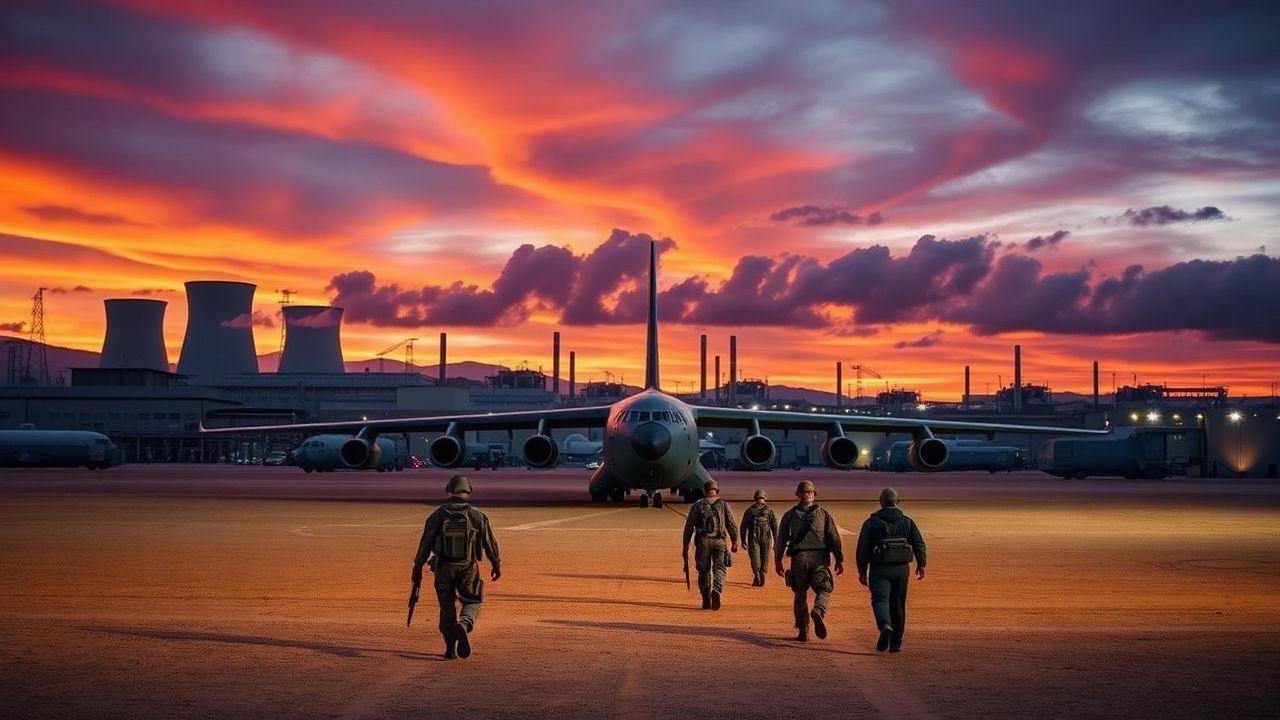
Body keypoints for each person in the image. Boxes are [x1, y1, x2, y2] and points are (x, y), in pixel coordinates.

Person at [412, 474, 501, 659]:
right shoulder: (477, 516)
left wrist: (418, 566)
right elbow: (489, 542)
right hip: (468, 567)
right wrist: (495, 563)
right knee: (473, 600)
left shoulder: (437, 515)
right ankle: (465, 623)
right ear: (468, 492)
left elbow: (426, 543)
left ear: (449, 490)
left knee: (446, 608)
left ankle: (450, 648)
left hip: (443, 567)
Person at [855, 487, 926, 653]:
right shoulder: (907, 521)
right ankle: (896, 644)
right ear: (897, 502)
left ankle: (885, 625)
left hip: (879, 569)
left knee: (880, 600)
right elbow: (919, 544)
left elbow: (863, 549)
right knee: (898, 605)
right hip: (902, 569)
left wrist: (861, 570)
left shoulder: (871, 522)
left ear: (880, 501)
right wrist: (921, 564)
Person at [774, 480, 844, 642]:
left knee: (800, 594)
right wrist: (839, 558)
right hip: (819, 558)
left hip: (799, 559)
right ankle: (818, 610)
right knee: (824, 589)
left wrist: (778, 560)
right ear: (813, 495)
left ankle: (803, 630)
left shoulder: (790, 515)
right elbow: (833, 537)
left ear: (798, 495)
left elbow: (781, 540)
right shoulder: (823, 514)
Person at [682, 479, 738, 610]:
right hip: (719, 541)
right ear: (716, 491)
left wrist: (685, 546)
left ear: (704, 492)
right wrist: (735, 541)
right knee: (720, 568)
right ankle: (717, 589)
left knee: (704, 571)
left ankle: (706, 599)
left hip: (703, 542)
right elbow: (731, 524)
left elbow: (689, 527)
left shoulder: (697, 505)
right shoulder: (723, 505)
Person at [739, 488, 778, 587]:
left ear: (755, 498)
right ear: (764, 498)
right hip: (766, 538)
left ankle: (757, 575)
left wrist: (743, 540)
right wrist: (776, 541)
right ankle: (762, 574)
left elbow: (743, 526)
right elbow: (775, 527)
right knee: (765, 557)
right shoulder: (769, 511)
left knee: (754, 557)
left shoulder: (749, 511)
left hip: (753, 537)